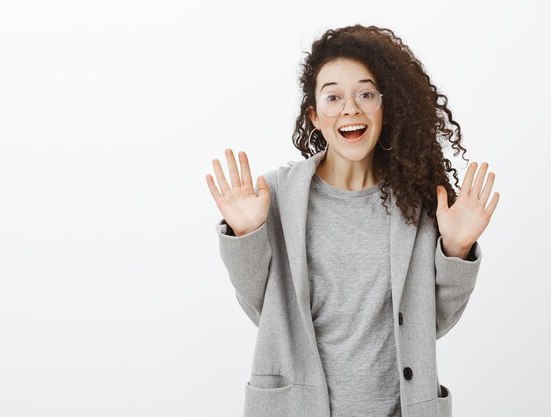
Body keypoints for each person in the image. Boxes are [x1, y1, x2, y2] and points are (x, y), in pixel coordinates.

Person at [205, 24, 499, 417]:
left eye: (366, 94)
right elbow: (267, 318)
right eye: (333, 97)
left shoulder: (420, 203)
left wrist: (456, 250)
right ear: (314, 114)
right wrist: (247, 234)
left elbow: (431, 324)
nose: (350, 109)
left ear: (386, 107)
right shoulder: (274, 197)